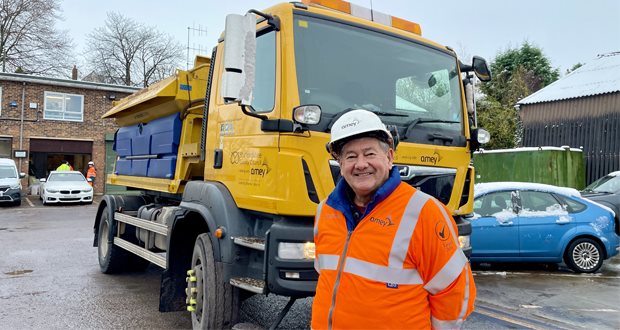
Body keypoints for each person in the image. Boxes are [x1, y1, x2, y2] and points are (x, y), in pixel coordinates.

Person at [311, 109, 475, 329]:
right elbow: (329, 279)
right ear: (340, 164)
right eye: (350, 156)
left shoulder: (423, 212)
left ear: (389, 157)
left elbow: (453, 289)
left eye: (369, 154)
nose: (360, 164)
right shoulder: (326, 211)